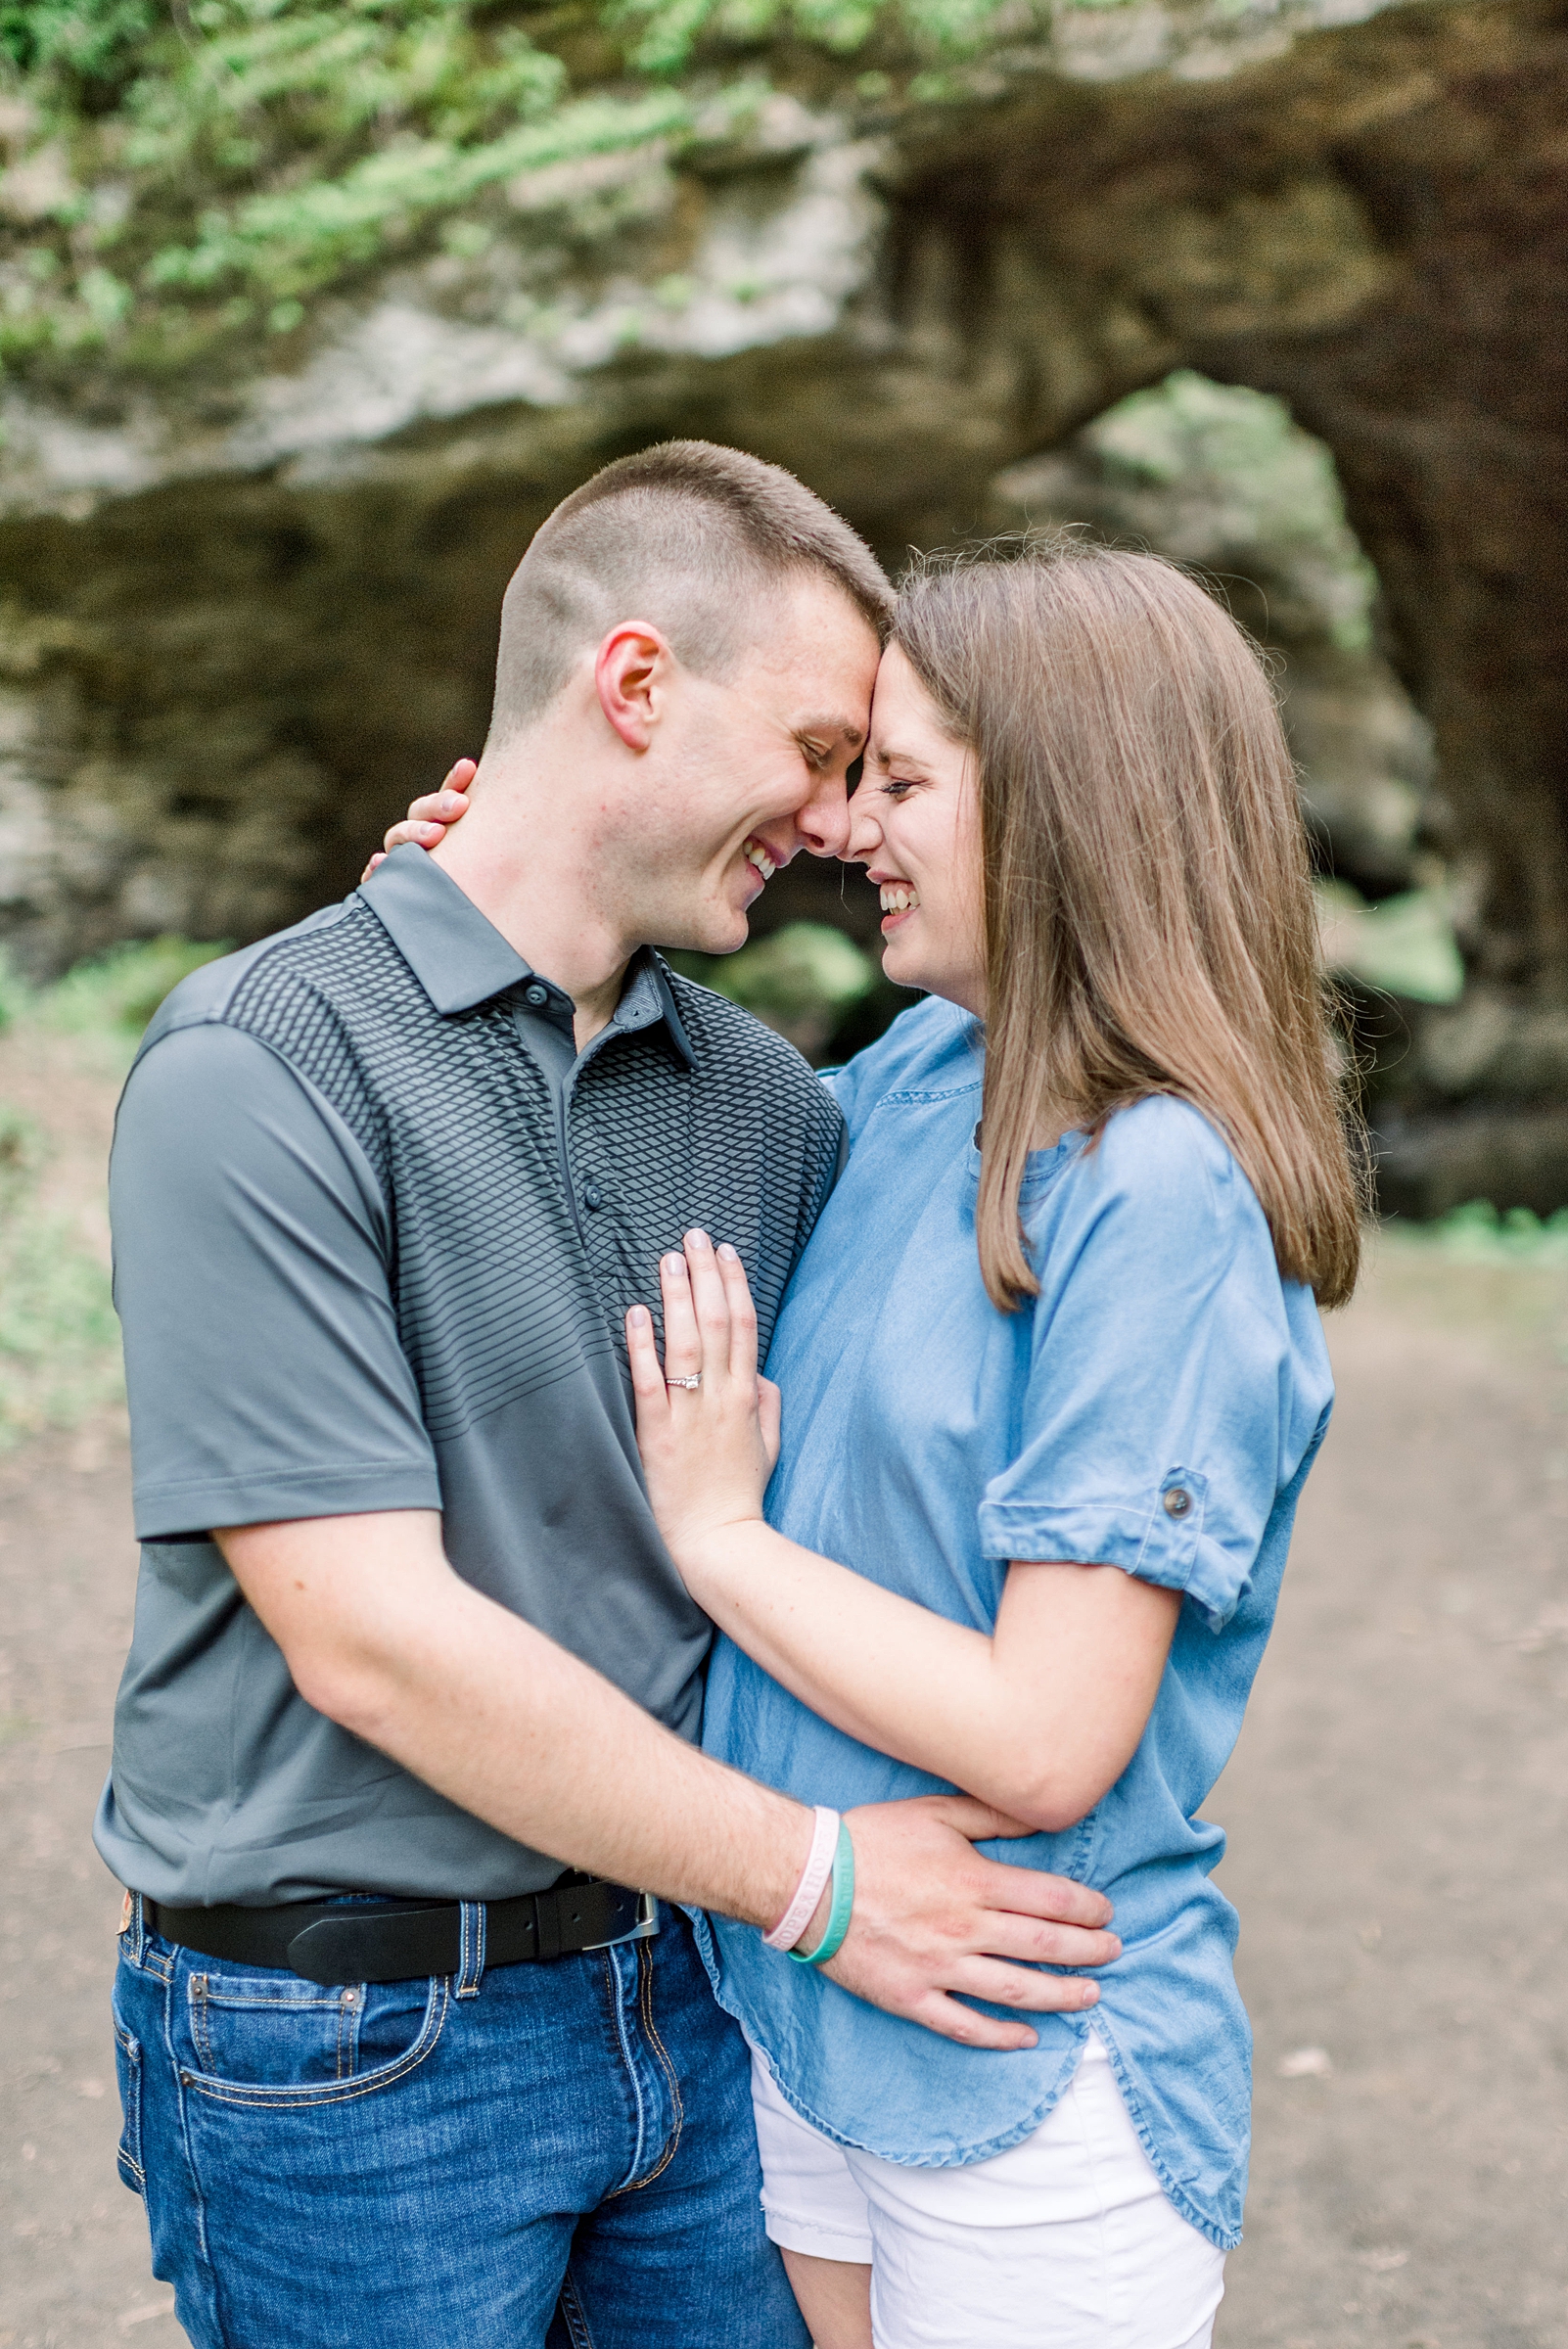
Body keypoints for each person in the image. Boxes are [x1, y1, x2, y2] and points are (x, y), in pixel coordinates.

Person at [100, 450, 1119, 2349]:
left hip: (702, 2008)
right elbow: (372, 1646)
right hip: (356, 2054)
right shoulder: (260, 1067)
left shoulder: (781, 1117)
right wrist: (821, 1882)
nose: (834, 823)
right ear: (634, 689)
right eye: (822, 752)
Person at [406, 535, 1360, 2349]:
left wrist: (722, 1540)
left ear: (1075, 805)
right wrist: (498, 901)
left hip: (1020, 2049)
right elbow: (626, 1149)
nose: (848, 829)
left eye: (901, 782)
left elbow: (1048, 1736)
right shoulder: (924, 1081)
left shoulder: (1158, 1191)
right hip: (814, 2009)